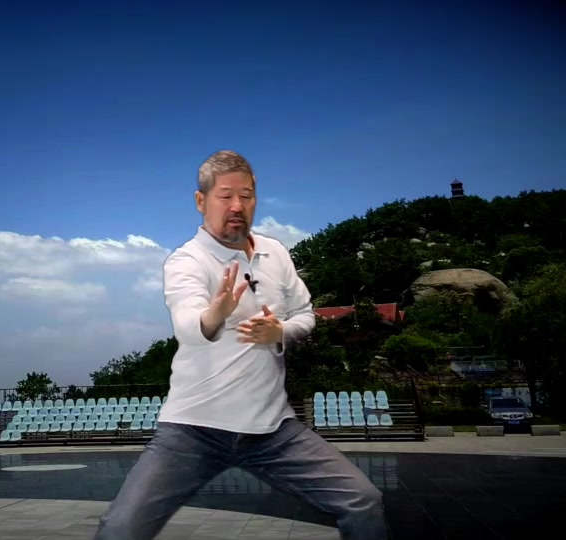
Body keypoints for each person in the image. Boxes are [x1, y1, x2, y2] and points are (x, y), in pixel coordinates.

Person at [95, 150, 386, 540]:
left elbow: (306, 315)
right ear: (201, 201)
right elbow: (187, 325)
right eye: (225, 196)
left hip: (273, 430)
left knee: (363, 501)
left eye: (246, 195)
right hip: (194, 430)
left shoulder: (275, 252)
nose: (237, 205)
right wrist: (215, 314)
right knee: (121, 528)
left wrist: (279, 331)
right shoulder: (187, 261)